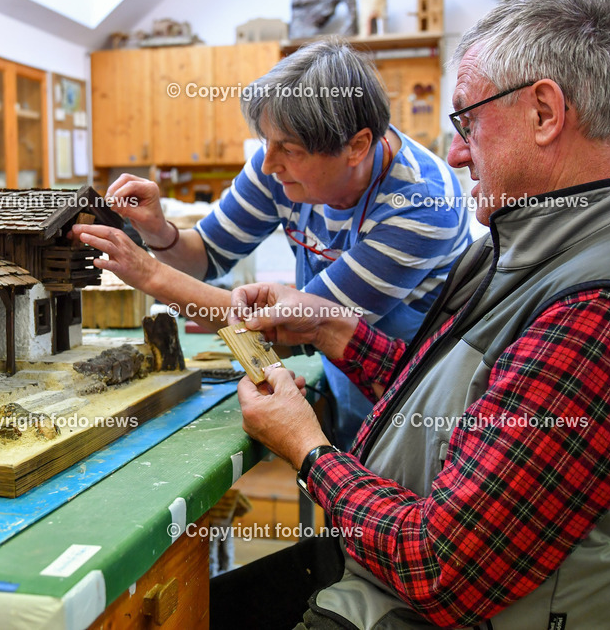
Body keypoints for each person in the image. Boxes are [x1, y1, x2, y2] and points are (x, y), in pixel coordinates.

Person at [214, 0, 610, 629]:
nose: (454, 152)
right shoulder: (530, 240)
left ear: (543, 113)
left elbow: (441, 567)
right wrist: (337, 333)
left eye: (467, 121)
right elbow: (463, 407)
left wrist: (307, 447)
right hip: (391, 581)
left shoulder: (607, 310)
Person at [75, 40, 470, 447]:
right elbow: (206, 257)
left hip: (419, 402)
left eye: (290, 150)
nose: (267, 164)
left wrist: (148, 272)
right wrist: (160, 231)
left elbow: (289, 329)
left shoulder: (422, 206)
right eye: (267, 141)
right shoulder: (277, 166)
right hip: (346, 378)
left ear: (356, 146)